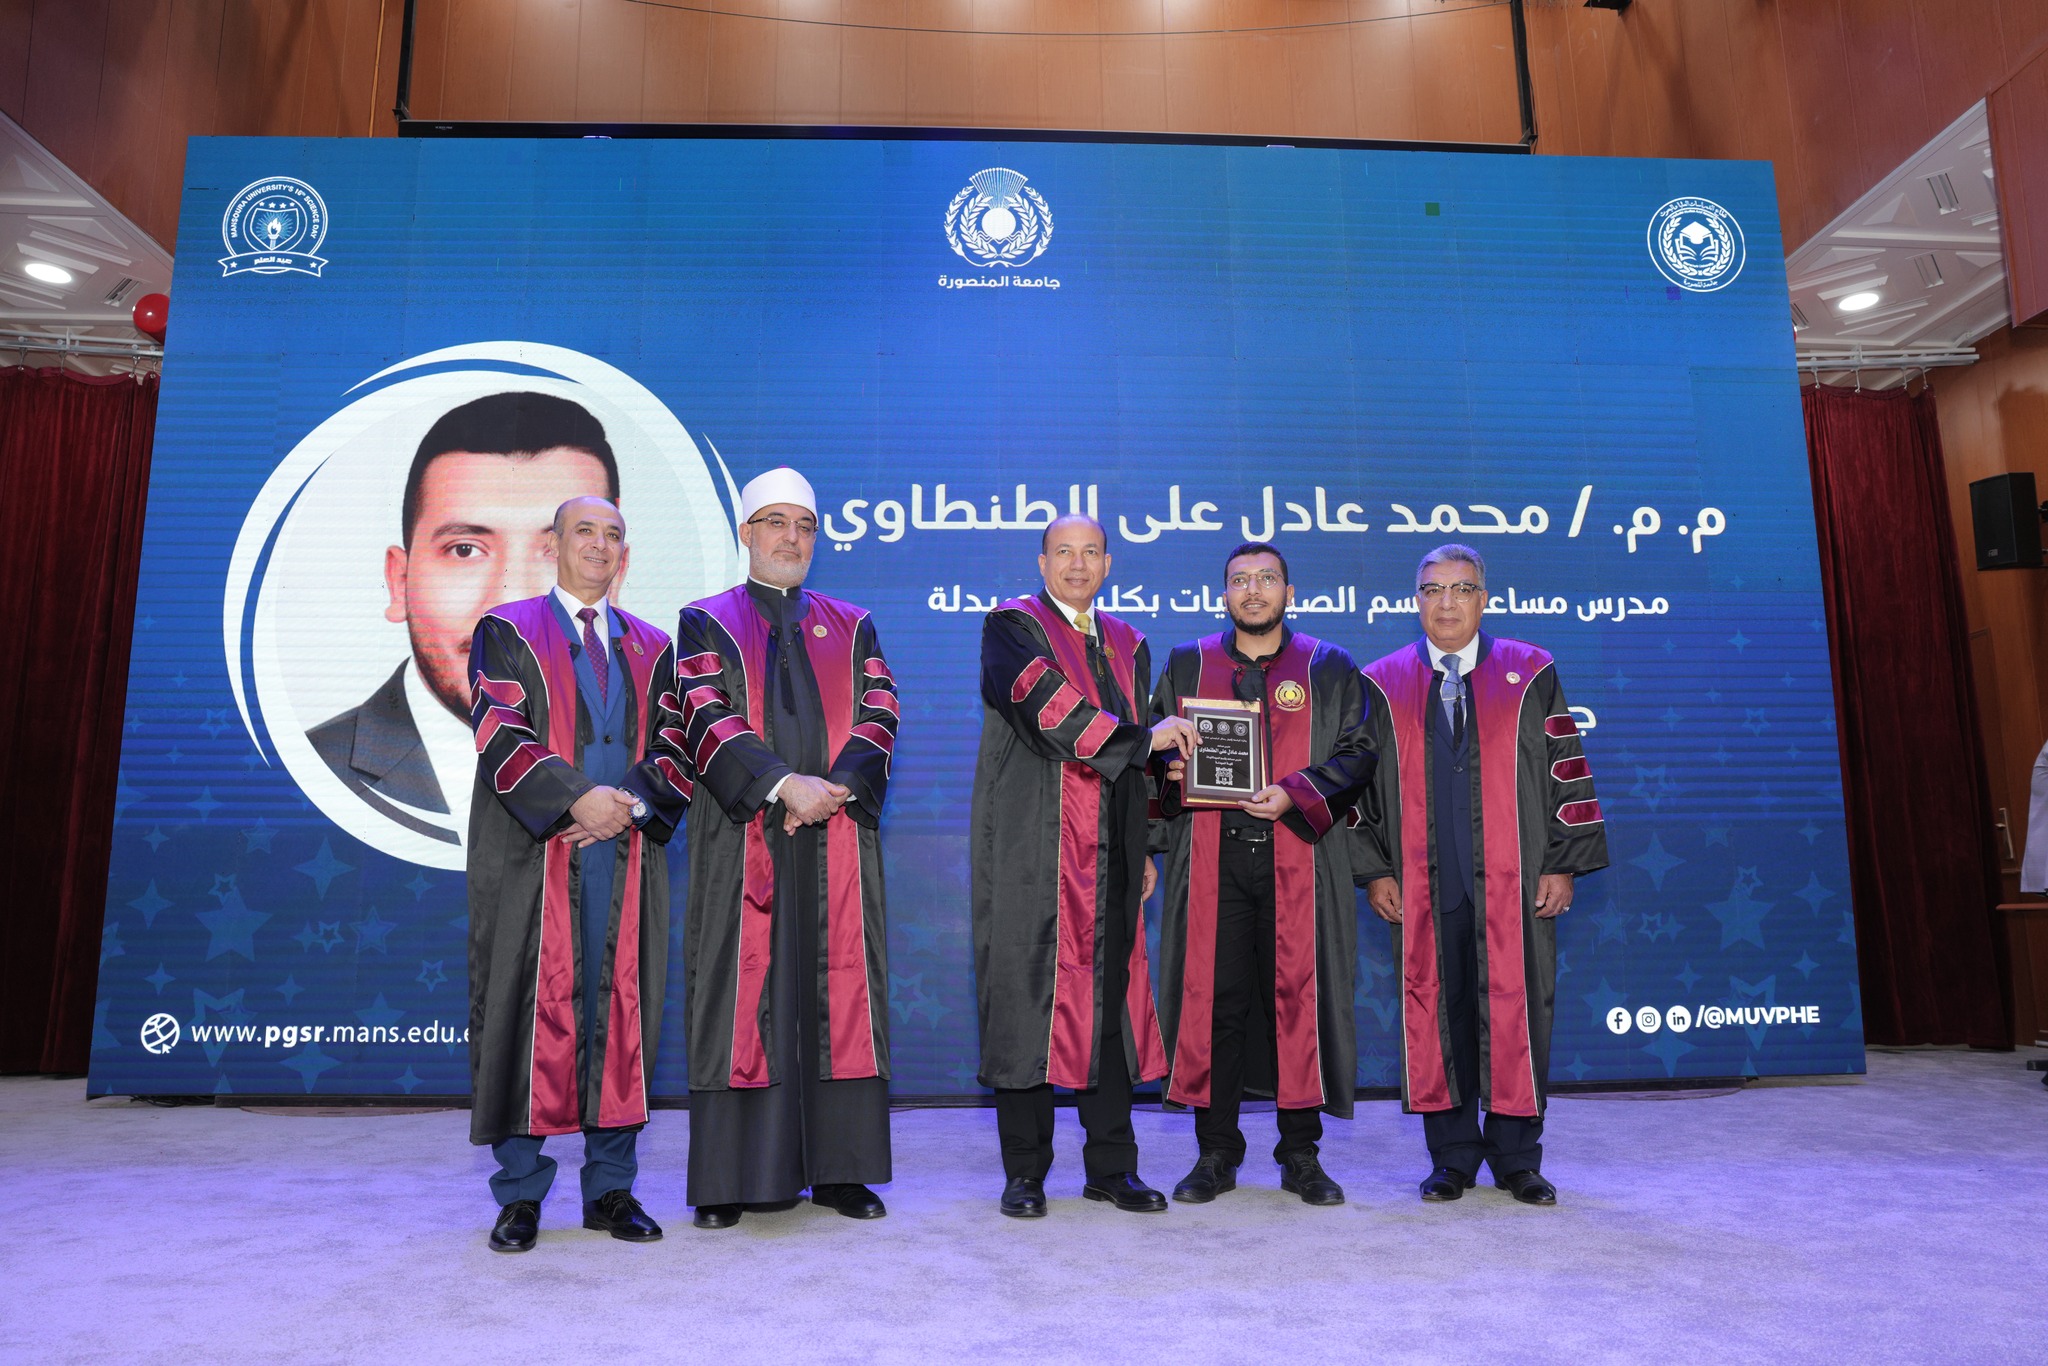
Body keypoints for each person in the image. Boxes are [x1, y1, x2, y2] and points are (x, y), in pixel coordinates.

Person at [671, 468, 898, 1229]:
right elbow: (704, 712)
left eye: (804, 525)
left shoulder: (853, 624)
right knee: (740, 996)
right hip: (744, 835)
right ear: (746, 533)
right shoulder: (705, 621)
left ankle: (841, 1172)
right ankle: (732, 1178)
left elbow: (880, 710)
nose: (791, 537)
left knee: (841, 996)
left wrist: (833, 789)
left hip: (837, 831)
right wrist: (781, 785)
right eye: (775, 522)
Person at [464, 495, 691, 1253]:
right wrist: (576, 801)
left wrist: (625, 807)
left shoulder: (655, 646)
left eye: (612, 535)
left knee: (621, 1011)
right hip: (533, 854)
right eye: (584, 531)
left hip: (626, 854)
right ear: (553, 545)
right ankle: (521, 1193)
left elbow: (676, 743)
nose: (599, 544)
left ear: (625, 553)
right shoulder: (506, 632)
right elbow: (500, 731)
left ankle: (610, 1189)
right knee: (524, 1009)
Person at [1356, 544, 1608, 1206]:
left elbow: (1565, 767)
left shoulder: (1532, 671)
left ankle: (1518, 1158)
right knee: (1436, 1013)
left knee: (1518, 1010)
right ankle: (1452, 1158)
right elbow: (1360, 790)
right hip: (1422, 882)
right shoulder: (1381, 682)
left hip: (1515, 878)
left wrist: (1562, 862)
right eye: (1432, 590)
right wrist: (1374, 870)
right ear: (1416, 600)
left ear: (1483, 599)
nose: (1446, 603)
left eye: (1461, 589)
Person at [971, 513, 1198, 1218]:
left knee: (1111, 1008)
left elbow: (1153, 757)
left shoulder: (1129, 642)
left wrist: (1149, 842)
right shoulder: (1012, 627)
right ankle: (1025, 1172)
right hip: (1031, 847)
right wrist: (1144, 740)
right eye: (1063, 552)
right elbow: (1046, 709)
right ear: (1042, 564)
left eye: (1091, 552)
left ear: (1107, 565)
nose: (1077, 564)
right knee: (1026, 1003)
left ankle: (1112, 1167)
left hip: (1113, 851)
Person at [1150, 542, 1376, 1207]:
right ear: (1224, 594)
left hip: (1297, 854)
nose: (1253, 590)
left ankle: (1300, 1154)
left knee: (1296, 1001)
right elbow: (1152, 750)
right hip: (1211, 856)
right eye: (1240, 580)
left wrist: (1296, 792)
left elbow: (1360, 751)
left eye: (1266, 579)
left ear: (1289, 592)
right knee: (1214, 1003)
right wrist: (1168, 771)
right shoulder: (1188, 662)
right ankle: (1216, 1152)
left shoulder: (1329, 665)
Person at [311, 391, 624, 848]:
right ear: (399, 582)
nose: (509, 600)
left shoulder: (646, 766)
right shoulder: (315, 768)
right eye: (465, 550)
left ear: (614, 575)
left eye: (555, 550)